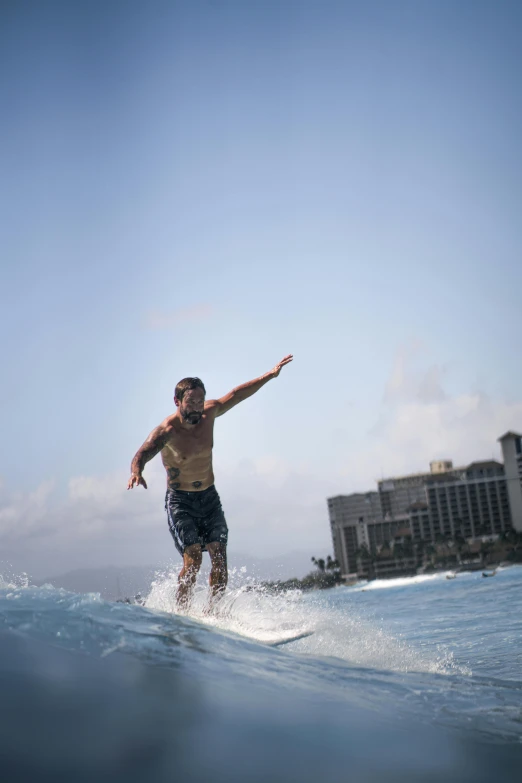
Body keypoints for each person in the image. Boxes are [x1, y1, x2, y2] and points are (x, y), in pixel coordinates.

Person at [127, 355, 293, 612]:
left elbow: (237, 395)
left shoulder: (209, 413)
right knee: (193, 559)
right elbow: (142, 453)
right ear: (177, 401)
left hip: (209, 497)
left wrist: (269, 375)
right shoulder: (166, 432)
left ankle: (213, 615)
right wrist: (136, 472)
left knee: (219, 556)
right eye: (190, 402)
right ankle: (182, 614)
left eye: (200, 401)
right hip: (180, 501)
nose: (196, 407)